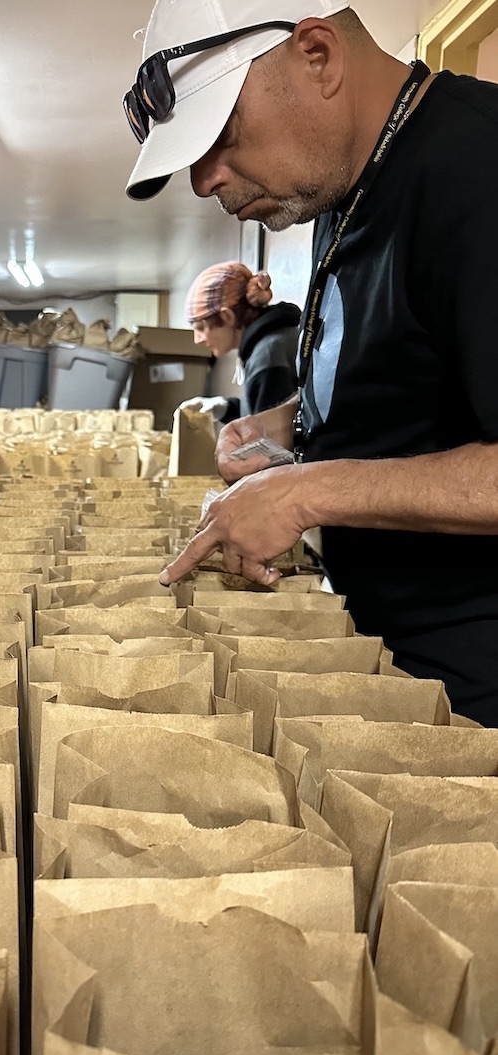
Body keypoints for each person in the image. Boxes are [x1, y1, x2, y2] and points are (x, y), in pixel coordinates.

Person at [122, 0, 498, 725]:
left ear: (318, 56)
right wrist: (288, 427)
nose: (204, 182)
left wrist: (303, 493)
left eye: (222, 137)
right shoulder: (342, 188)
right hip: (394, 654)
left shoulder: (478, 171)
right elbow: (415, 375)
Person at [185, 262, 299, 420]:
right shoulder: (267, 344)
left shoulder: (268, 355)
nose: (197, 339)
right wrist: (226, 408)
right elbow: (260, 411)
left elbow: (270, 438)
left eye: (200, 328)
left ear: (227, 317)